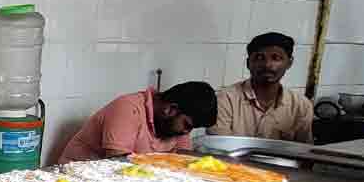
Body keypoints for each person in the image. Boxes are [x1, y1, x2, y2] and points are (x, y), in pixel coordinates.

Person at [57, 82, 219, 163]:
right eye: (187, 125)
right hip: (76, 180)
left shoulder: (177, 126)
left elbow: (184, 161)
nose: (186, 133)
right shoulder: (128, 108)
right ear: (170, 109)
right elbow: (117, 163)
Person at [208, 32, 313, 143]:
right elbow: (218, 147)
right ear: (248, 63)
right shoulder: (225, 99)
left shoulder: (301, 106)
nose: (267, 65)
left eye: (276, 58)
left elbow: (303, 149)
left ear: (289, 63)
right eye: (259, 58)